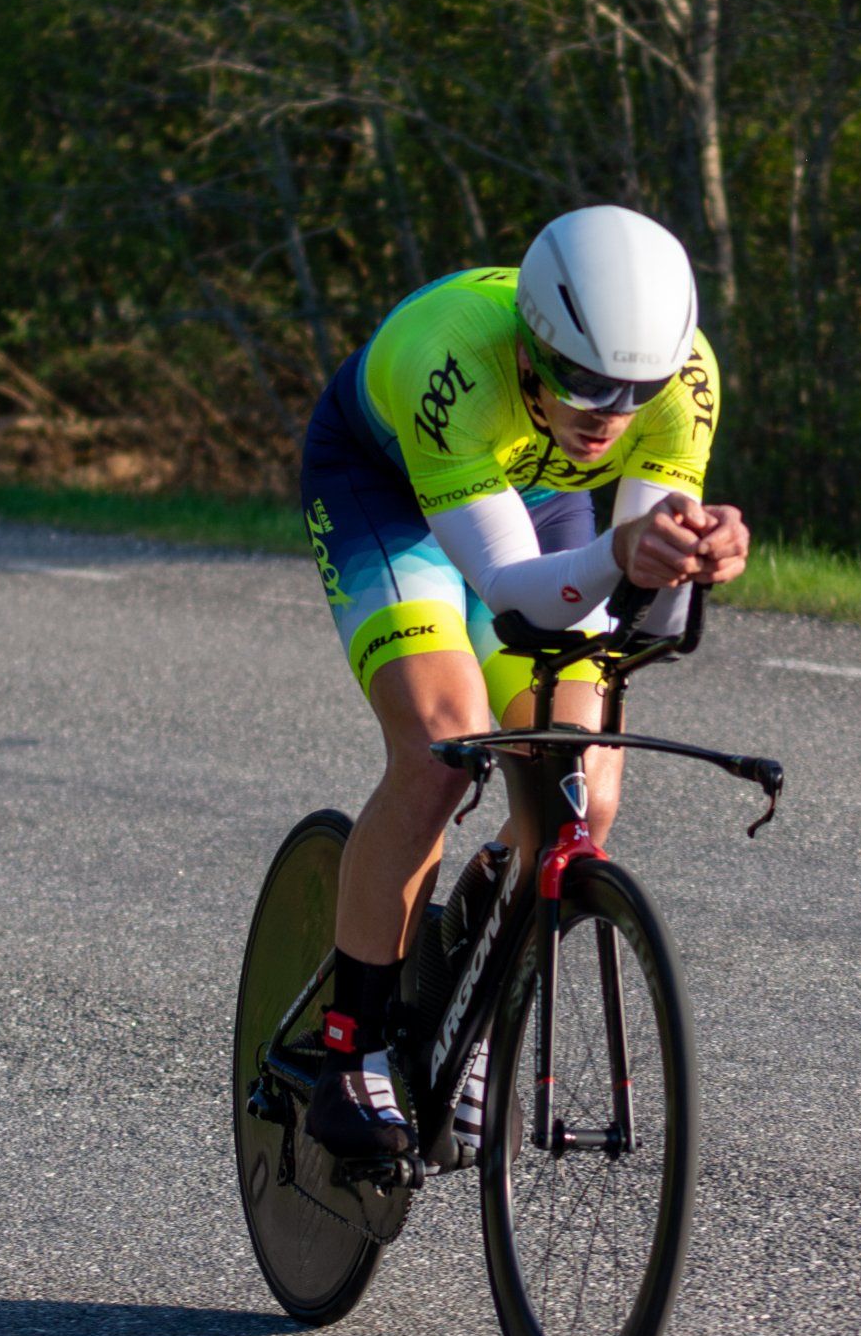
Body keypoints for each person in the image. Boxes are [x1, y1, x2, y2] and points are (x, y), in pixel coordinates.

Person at [299, 205, 751, 1160]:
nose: (610, 415)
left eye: (636, 390)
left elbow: (631, 589)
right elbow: (510, 591)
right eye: (585, 383)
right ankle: (353, 1055)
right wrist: (624, 552)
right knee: (442, 751)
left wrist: (685, 554)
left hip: (540, 503)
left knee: (584, 787)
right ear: (534, 348)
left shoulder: (687, 378)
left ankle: (478, 1009)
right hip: (390, 490)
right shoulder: (452, 364)